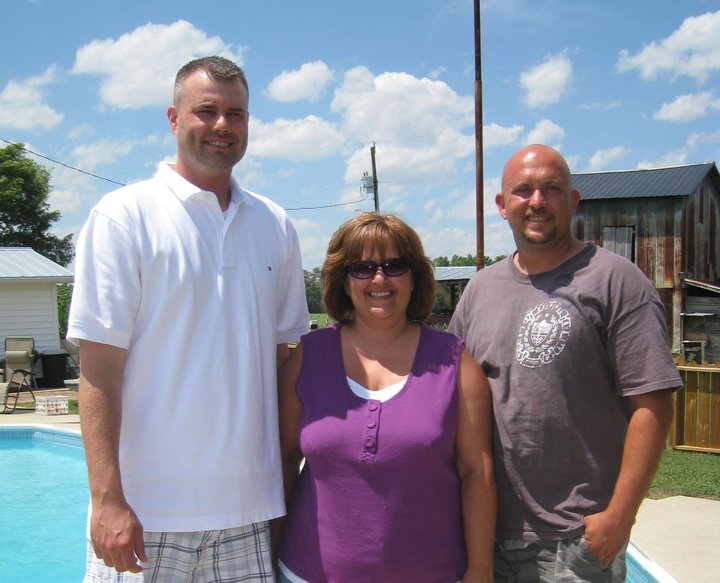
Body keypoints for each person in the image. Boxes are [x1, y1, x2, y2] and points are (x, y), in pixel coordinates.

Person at [67, 56, 309, 582]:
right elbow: (99, 367)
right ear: (174, 119)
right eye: (207, 111)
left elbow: (283, 359)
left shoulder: (275, 225)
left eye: (236, 114)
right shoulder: (124, 217)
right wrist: (106, 499)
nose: (223, 125)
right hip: (144, 515)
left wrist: (284, 490)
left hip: (249, 512)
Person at [449, 144, 681, 582]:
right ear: (502, 205)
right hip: (485, 531)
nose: (537, 201)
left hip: (574, 539)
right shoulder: (479, 290)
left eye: (551, 189)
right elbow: (448, 396)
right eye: (523, 190)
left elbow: (653, 404)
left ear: (573, 201)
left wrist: (620, 516)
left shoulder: (616, 281)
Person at [276, 212, 496, 583]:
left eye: (394, 266)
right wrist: (268, 553)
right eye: (362, 268)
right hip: (306, 574)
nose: (379, 279)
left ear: (414, 277)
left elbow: (477, 472)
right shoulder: (307, 359)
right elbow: (282, 464)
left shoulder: (455, 363)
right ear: (344, 281)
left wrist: (480, 568)